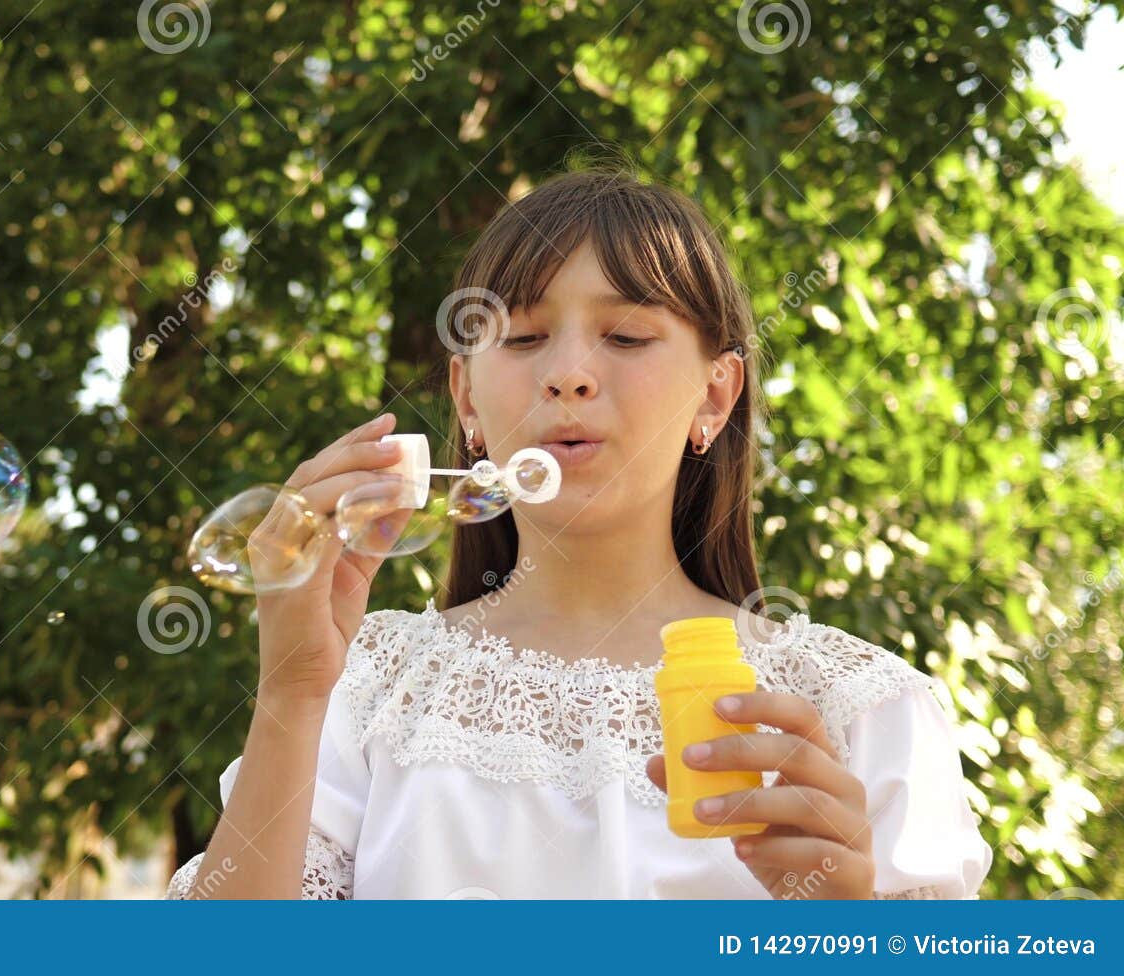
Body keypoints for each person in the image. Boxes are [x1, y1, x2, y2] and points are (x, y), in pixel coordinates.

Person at [165, 166, 993, 899]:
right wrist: (292, 692)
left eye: (627, 335)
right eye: (523, 338)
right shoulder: (366, 687)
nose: (567, 374)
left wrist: (841, 930)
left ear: (716, 395)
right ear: (464, 399)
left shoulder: (863, 711)